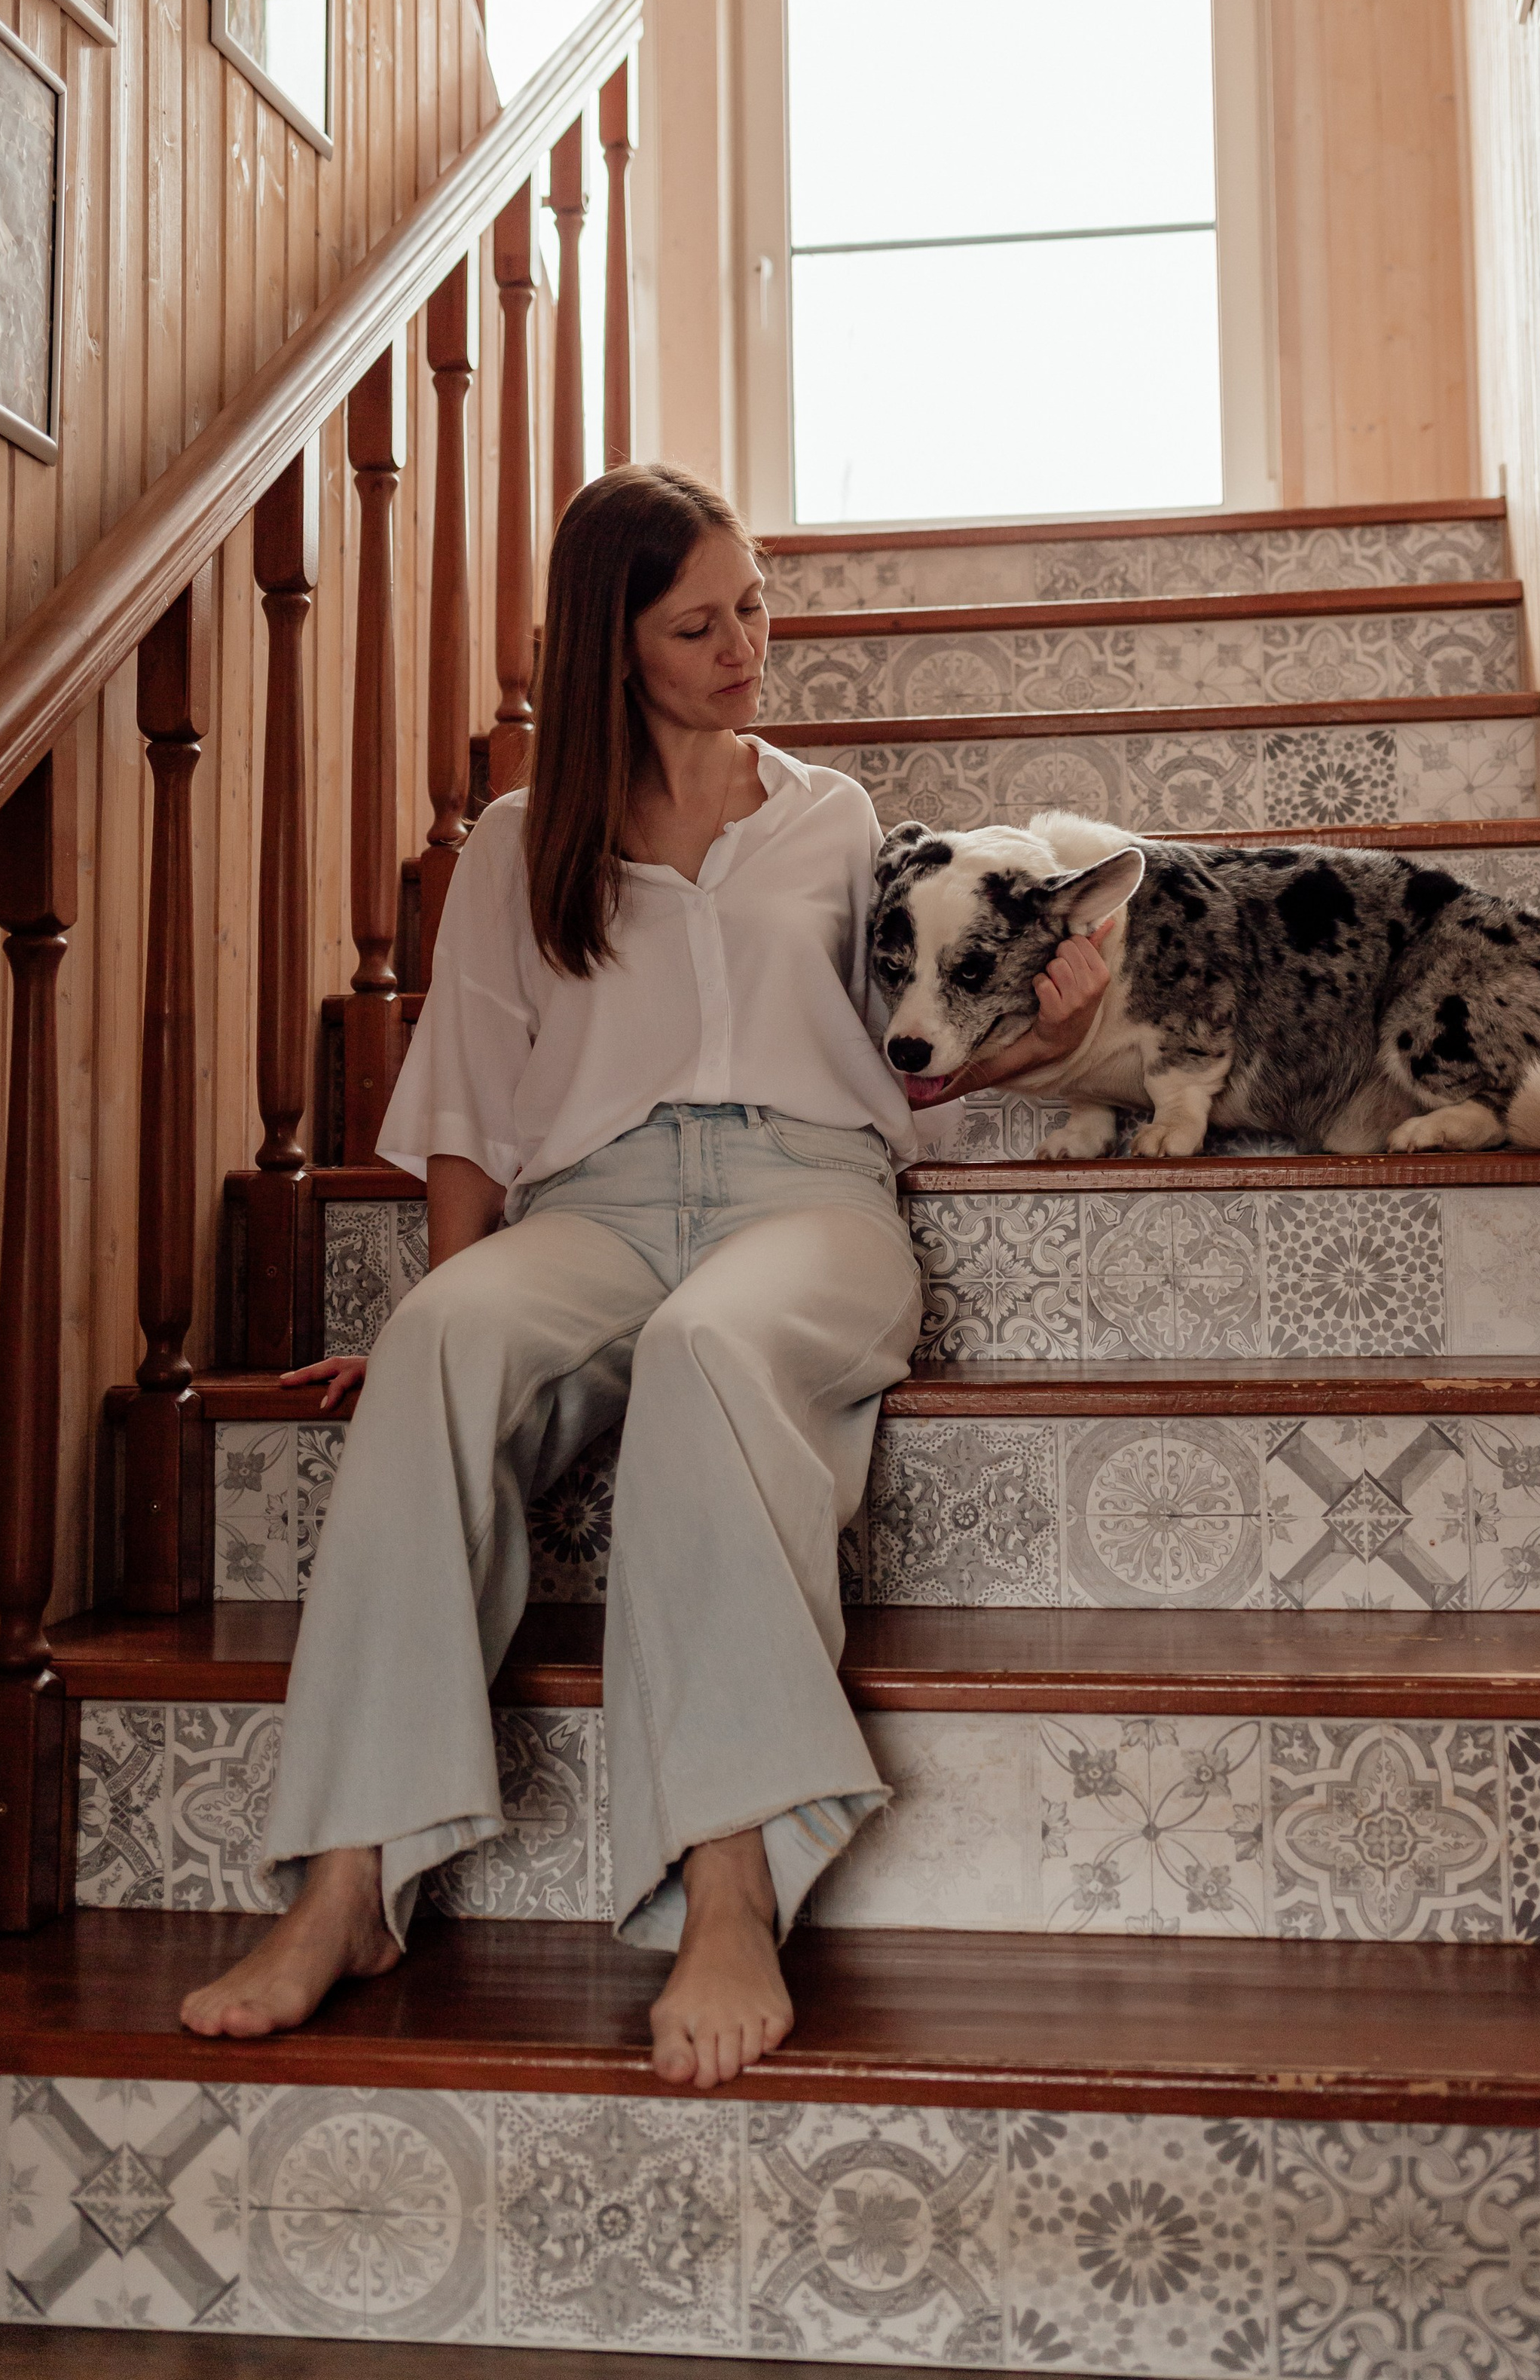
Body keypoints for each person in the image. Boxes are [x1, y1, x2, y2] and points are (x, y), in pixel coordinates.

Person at [178, 465, 1110, 2086]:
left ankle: (728, 1882)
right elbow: (467, 1102)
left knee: (701, 1349)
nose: (746, 643)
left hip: (806, 1198)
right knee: (441, 1352)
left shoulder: (832, 821)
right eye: (699, 624)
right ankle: (347, 1885)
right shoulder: (520, 842)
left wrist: (1067, 1023)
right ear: (615, 646)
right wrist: (432, 1315)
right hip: (590, 1209)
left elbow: (918, 1063)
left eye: (751, 604)